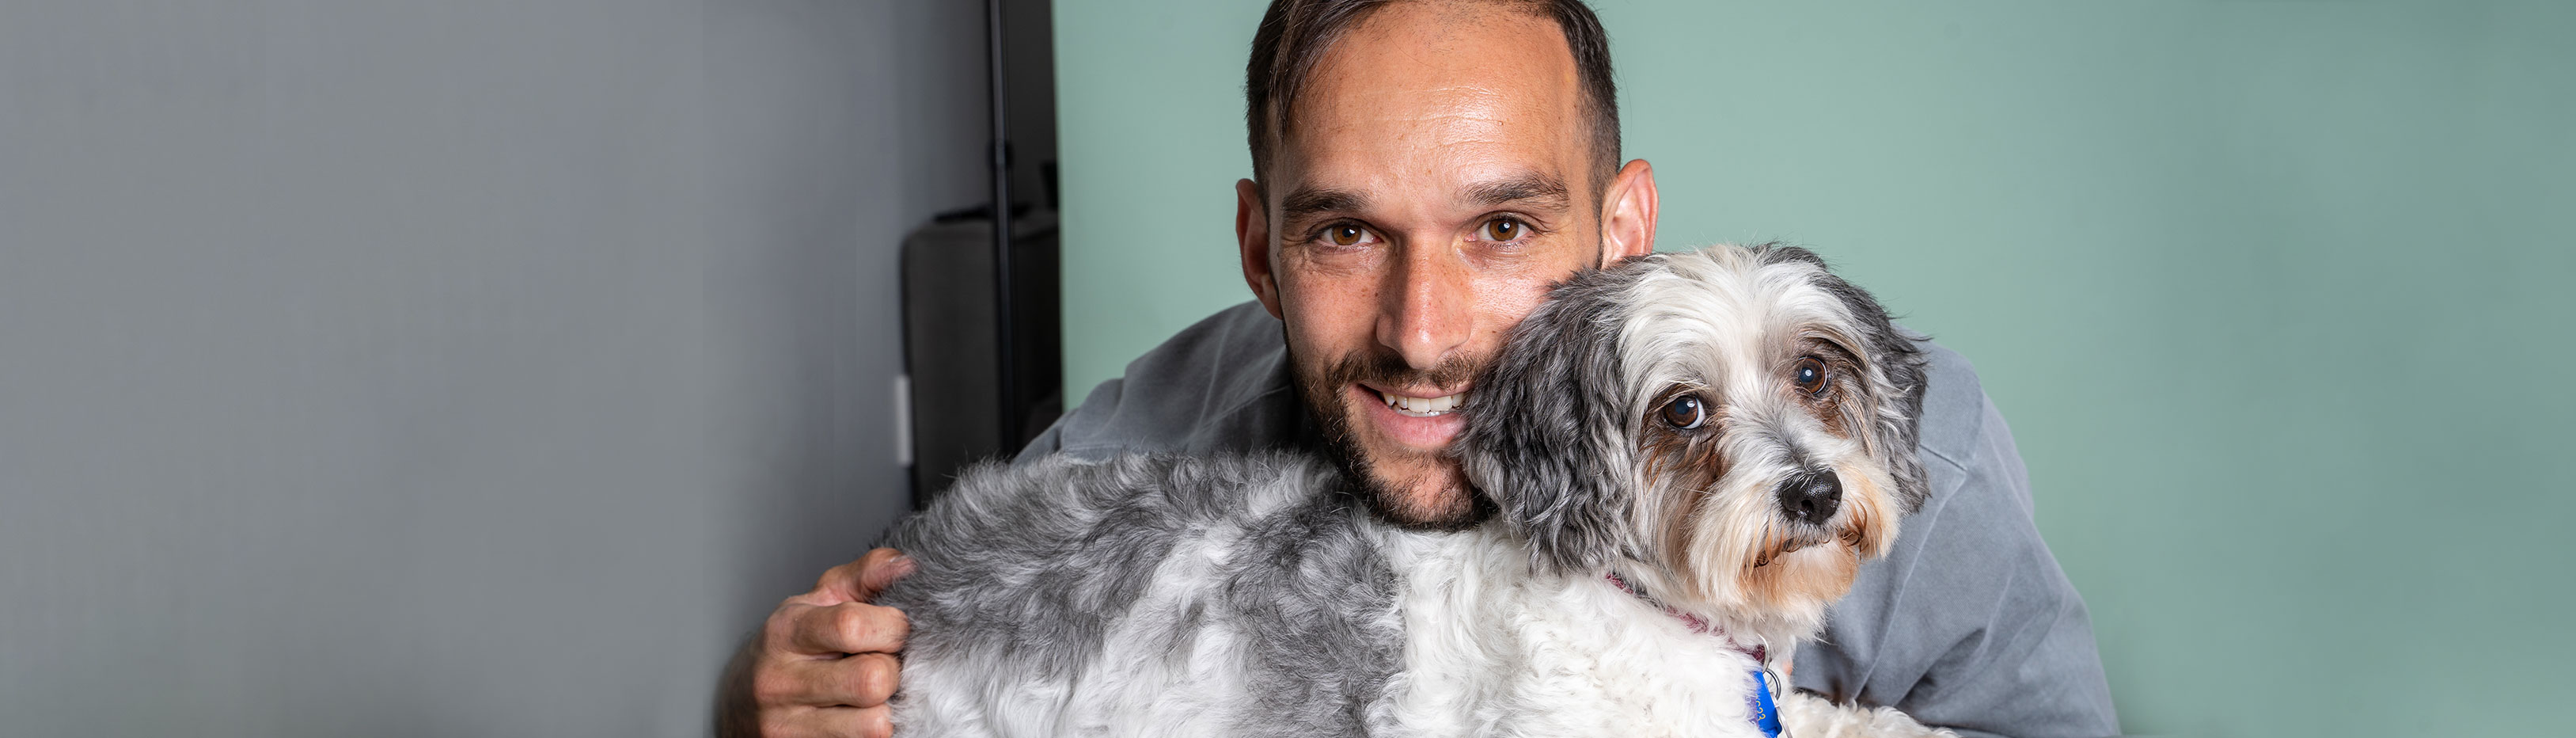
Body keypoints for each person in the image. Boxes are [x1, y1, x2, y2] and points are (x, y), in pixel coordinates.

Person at [718, 2, 2118, 736]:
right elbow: (935, 644)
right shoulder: (1181, 434)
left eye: (1504, 226)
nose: (1425, 329)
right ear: (1262, 251)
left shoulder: (1897, 453)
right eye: (1345, 233)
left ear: (1624, 229)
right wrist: (775, 697)